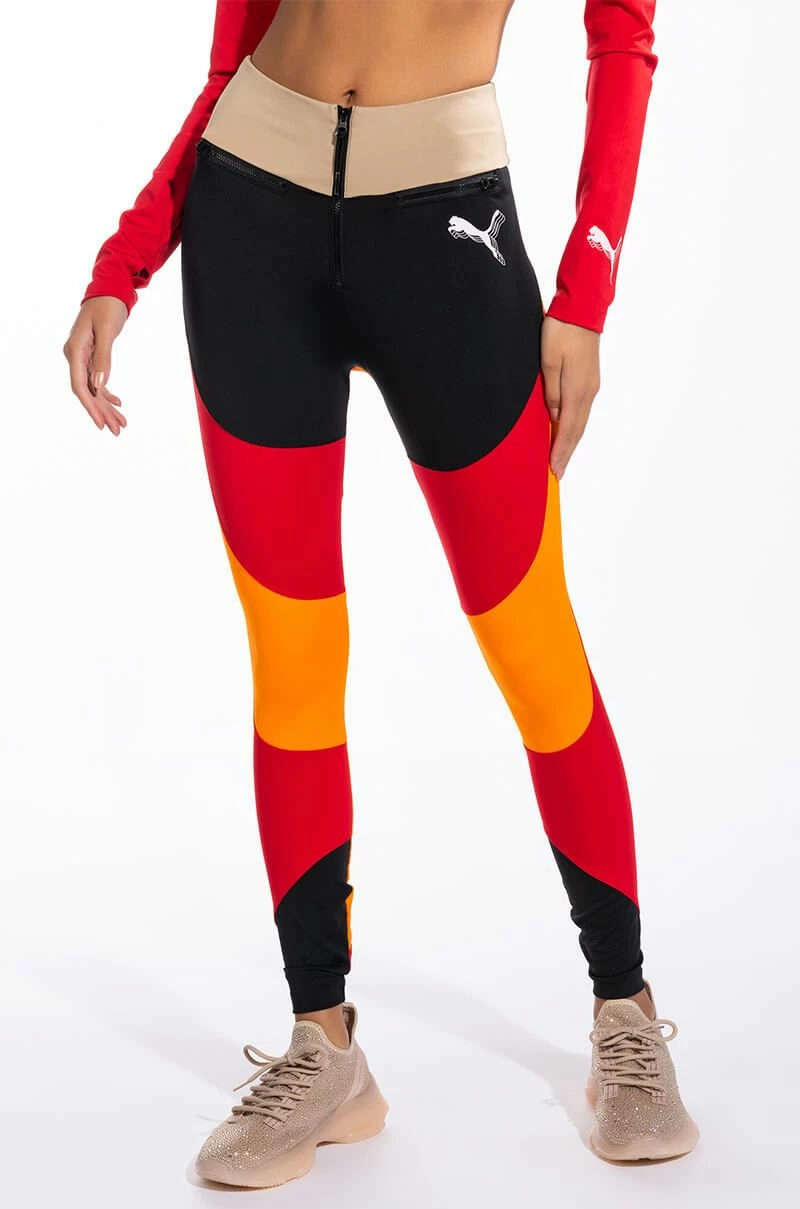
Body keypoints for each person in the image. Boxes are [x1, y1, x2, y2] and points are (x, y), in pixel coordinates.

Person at [63, 0, 699, 1186]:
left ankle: (623, 1011)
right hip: (249, 215)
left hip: (445, 226)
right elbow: (234, 53)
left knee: (530, 644)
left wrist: (585, 289)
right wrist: (129, 255)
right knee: (292, 657)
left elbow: (621, 41)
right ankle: (324, 1046)